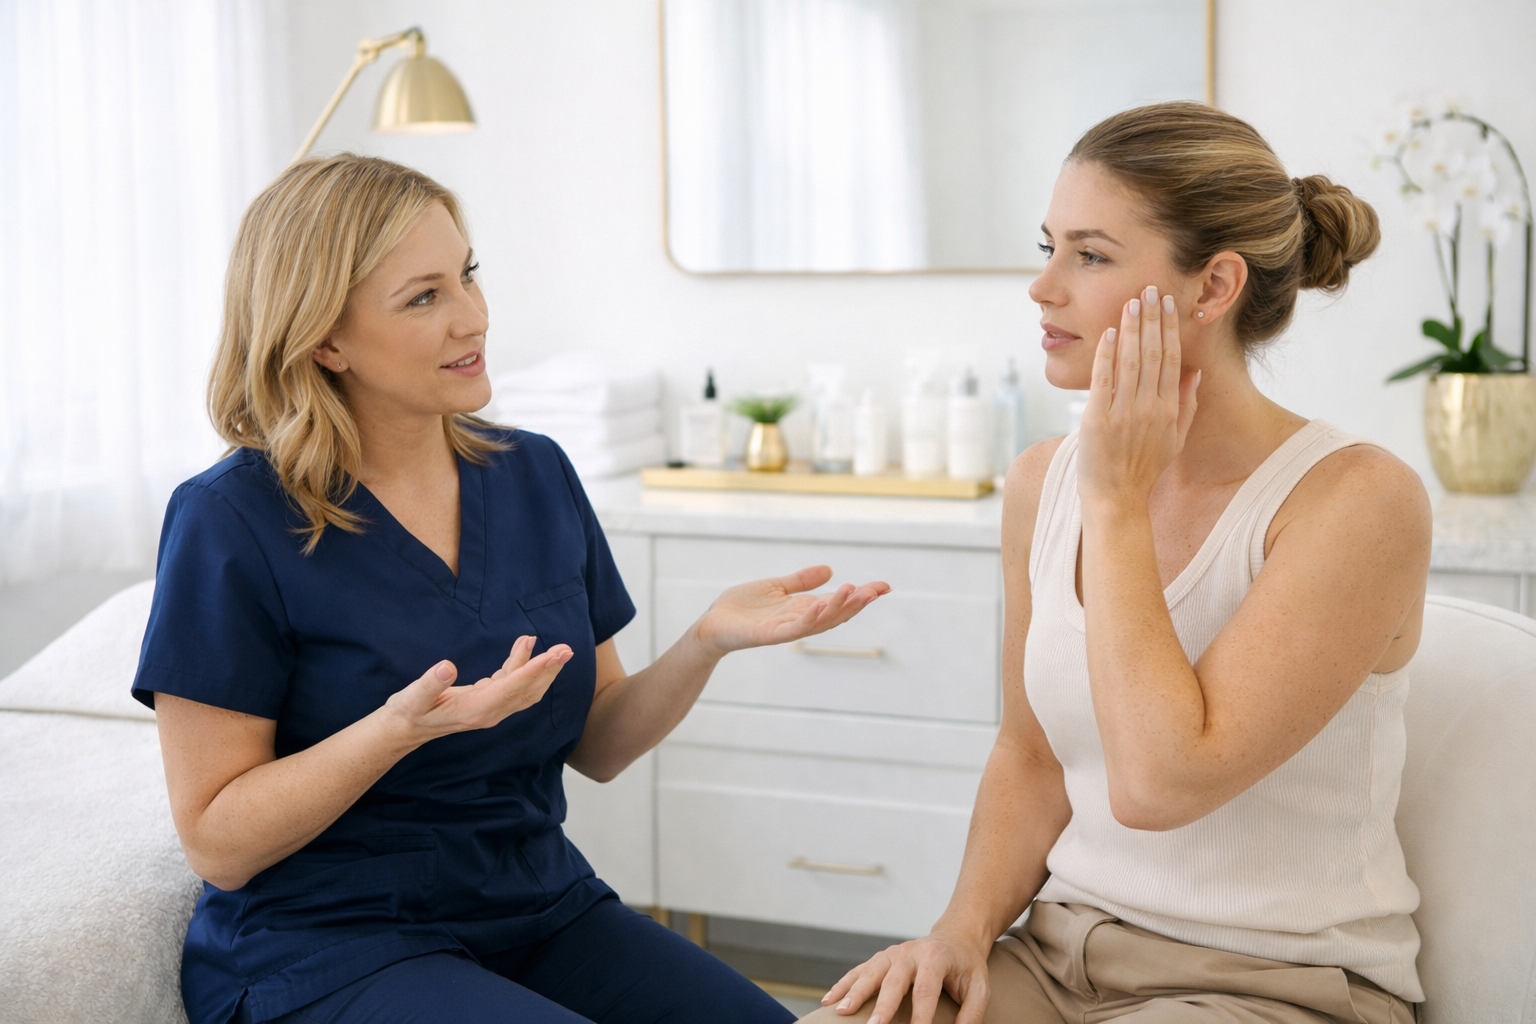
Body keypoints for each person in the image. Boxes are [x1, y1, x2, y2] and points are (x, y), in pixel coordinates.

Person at [133, 154, 890, 1024]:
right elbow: (217, 842)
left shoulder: (533, 473)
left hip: (540, 908)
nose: (474, 317)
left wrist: (705, 642)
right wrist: (394, 732)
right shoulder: (230, 520)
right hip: (329, 940)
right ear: (324, 338)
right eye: (424, 297)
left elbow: (599, 743)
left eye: (468, 275)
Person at [809, 102, 1429, 1024]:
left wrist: (1117, 501)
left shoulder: (1356, 502)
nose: (1041, 287)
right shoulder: (1039, 484)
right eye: (1048, 245)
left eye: (1089, 256)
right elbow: (1030, 756)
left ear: (1213, 287)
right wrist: (960, 934)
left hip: (1271, 987)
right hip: (1057, 957)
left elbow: (1156, 786)